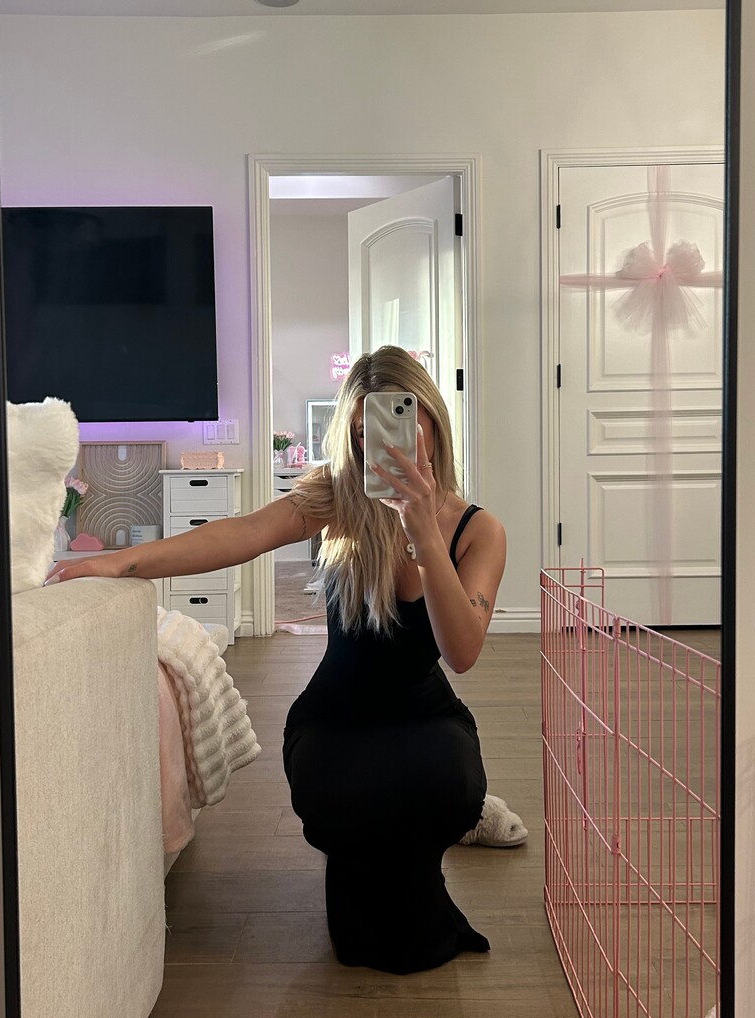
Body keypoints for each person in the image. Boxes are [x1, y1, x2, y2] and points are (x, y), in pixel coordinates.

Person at [47, 345, 509, 974]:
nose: (382, 445)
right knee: (342, 796)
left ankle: (445, 838)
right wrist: (120, 562)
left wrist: (424, 532)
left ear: (431, 419)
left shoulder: (478, 531)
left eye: (401, 422)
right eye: (363, 433)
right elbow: (239, 534)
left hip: (423, 712)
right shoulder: (339, 500)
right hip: (337, 714)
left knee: (445, 783)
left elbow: (463, 652)